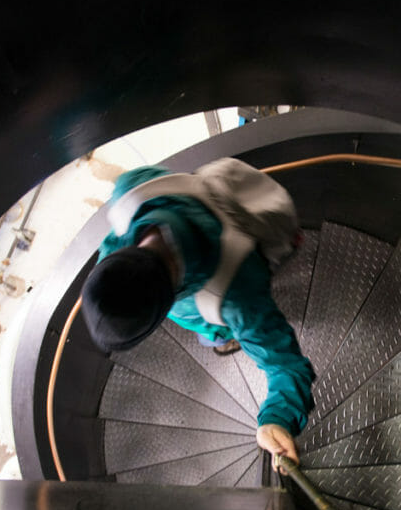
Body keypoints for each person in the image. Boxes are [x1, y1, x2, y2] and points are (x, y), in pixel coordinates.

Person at [80, 161, 316, 464]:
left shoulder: (237, 297)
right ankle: (221, 338)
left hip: (231, 288)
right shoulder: (132, 192)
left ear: (165, 310)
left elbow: (287, 367)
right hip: (224, 207)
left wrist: (276, 419)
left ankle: (223, 339)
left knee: (215, 334)